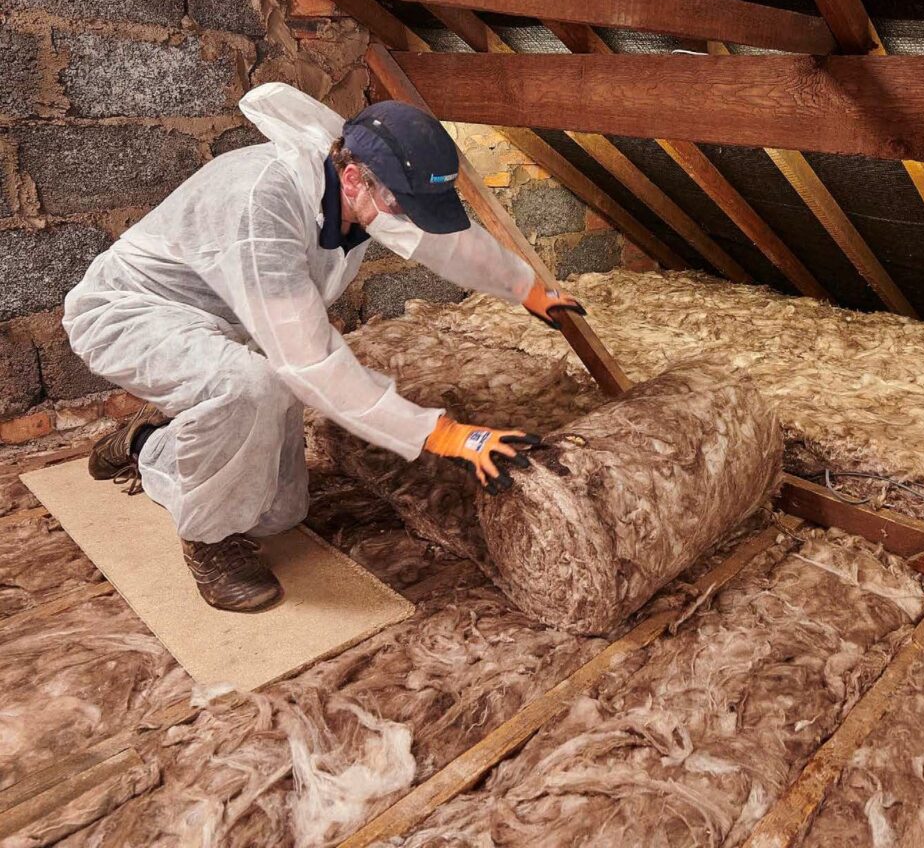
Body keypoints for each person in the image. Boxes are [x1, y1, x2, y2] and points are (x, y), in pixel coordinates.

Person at [63, 83, 585, 613]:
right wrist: (442, 433)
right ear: (354, 178)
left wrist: (526, 288)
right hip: (134, 311)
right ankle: (210, 541)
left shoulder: (362, 187)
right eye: (402, 204)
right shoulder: (261, 201)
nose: (410, 217)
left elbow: (443, 239)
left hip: (232, 323)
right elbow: (308, 360)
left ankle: (147, 441)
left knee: (279, 512)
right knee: (253, 386)